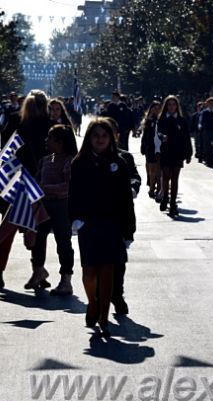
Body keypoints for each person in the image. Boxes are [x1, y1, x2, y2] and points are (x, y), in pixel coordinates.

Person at [69, 118, 136, 337]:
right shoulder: (79, 163)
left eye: (104, 136)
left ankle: (105, 318)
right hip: (88, 224)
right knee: (89, 272)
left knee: (108, 270)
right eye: (96, 136)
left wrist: (128, 230)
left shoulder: (120, 163)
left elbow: (127, 198)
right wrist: (75, 219)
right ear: (89, 138)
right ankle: (93, 303)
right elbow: (74, 194)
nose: (100, 140)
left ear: (111, 139)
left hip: (112, 224)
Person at [0, 90, 54, 290]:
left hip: (14, 180)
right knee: (37, 229)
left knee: (7, 228)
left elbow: (5, 150)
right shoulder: (50, 125)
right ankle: (38, 271)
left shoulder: (15, 122)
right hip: (37, 182)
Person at [28, 125, 77, 295]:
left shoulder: (69, 161)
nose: (46, 141)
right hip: (43, 206)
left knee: (63, 242)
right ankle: (38, 271)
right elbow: (36, 182)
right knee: (37, 239)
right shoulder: (45, 160)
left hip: (62, 206)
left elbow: (68, 187)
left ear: (60, 142)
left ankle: (66, 280)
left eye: (50, 137)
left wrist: (45, 188)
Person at [103, 116, 141, 316]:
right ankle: (99, 298)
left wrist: (133, 187)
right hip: (96, 217)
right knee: (97, 260)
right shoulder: (88, 157)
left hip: (120, 215)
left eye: (108, 135)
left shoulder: (125, 157)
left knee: (119, 259)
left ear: (116, 137)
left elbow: (135, 176)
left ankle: (117, 294)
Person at [155, 95, 193, 216]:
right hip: (166, 151)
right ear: (166, 106)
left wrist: (188, 153)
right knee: (166, 176)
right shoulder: (162, 119)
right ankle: (165, 197)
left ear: (177, 106)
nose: (171, 107)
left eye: (173, 104)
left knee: (175, 178)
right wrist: (162, 137)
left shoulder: (181, 120)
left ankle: (172, 204)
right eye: (169, 104)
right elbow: (159, 132)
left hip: (178, 152)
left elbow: (186, 138)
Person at [141, 100, 162, 199]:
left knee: (159, 169)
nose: (157, 110)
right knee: (152, 169)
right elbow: (145, 135)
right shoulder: (149, 120)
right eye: (155, 108)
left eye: (159, 108)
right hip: (150, 147)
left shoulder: (163, 120)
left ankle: (159, 188)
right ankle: (152, 188)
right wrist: (143, 146)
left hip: (161, 147)